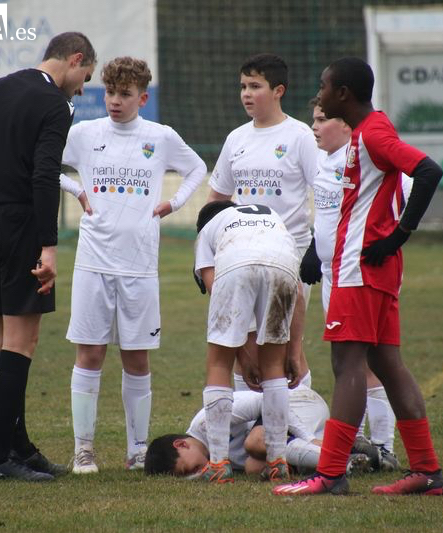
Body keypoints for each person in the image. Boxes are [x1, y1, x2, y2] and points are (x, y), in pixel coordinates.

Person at [273, 57, 443, 496]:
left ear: (343, 94)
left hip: (359, 270)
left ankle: (331, 473)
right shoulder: (363, 135)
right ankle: (426, 471)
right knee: (387, 365)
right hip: (368, 270)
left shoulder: (372, 133)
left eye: (324, 86)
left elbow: (428, 171)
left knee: (346, 364)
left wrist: (397, 236)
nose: (320, 94)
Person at [0, 32, 96, 482]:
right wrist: (48, 245)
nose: (84, 87)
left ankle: (18, 446)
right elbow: (45, 174)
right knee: (21, 344)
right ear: (75, 59)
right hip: (20, 226)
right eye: (86, 76)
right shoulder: (55, 105)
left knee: (6, 340)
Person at [56, 56, 207, 474]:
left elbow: (197, 168)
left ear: (142, 97)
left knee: (137, 359)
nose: (115, 101)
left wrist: (173, 203)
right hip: (93, 265)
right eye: (109, 92)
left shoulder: (160, 137)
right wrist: (75, 190)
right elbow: (43, 160)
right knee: (89, 354)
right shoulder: (85, 134)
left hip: (140, 268)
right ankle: (83, 450)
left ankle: (138, 450)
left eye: (124, 94)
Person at [300, 97, 405, 473]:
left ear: (347, 125)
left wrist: (392, 240)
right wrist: (315, 247)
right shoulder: (322, 162)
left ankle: (384, 445)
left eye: (322, 119)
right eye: (313, 119)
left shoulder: (372, 158)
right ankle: (357, 445)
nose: (314, 126)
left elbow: (402, 199)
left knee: (368, 362)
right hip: (334, 273)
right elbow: (328, 214)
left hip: (362, 272)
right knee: (348, 362)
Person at [206, 53, 319, 389]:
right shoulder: (236, 139)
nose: (246, 93)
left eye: (255, 86)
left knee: (280, 346)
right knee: (244, 341)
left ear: (278, 90)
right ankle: (250, 431)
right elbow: (216, 201)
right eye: (243, 86)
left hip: (289, 256)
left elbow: (325, 195)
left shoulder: (300, 136)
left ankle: (299, 423)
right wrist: (209, 249)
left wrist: (317, 246)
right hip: (240, 256)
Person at [191, 200, 301, 483]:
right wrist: (294, 351)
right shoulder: (272, 216)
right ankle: (278, 460)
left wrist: (240, 352)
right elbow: (298, 291)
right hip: (285, 265)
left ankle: (217, 462)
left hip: (238, 265)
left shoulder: (207, 232)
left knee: (218, 362)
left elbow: (217, 289)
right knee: (274, 365)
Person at [144, 378, 329, 478]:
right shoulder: (214, 459)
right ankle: (345, 456)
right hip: (293, 427)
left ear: (181, 445)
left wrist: (308, 437)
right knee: (254, 467)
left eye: (188, 470)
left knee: (255, 442)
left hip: (297, 403)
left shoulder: (207, 421)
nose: (195, 474)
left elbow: (268, 400)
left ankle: (337, 460)